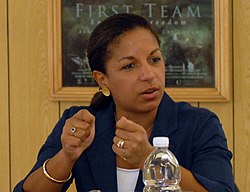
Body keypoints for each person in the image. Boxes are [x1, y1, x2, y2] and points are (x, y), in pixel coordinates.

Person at [14, 13, 236, 192]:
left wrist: (150, 159)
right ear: (102, 79)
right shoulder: (84, 124)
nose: (149, 74)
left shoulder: (199, 124)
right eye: (130, 66)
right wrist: (67, 156)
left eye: (154, 59)